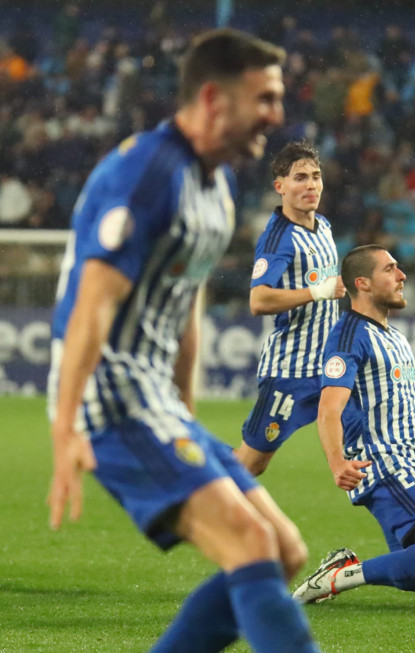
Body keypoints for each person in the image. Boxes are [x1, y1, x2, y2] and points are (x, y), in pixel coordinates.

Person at [46, 28, 320, 653]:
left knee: (283, 552)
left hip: (155, 401)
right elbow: (91, 304)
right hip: (109, 398)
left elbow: (183, 310)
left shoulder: (216, 188)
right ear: (214, 99)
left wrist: (186, 416)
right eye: (266, 98)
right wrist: (66, 430)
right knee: (249, 545)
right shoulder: (149, 174)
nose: (277, 115)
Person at [292, 245, 415, 603]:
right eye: (390, 269)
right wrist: (337, 462)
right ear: (363, 283)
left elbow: (403, 411)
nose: (402, 276)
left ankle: (348, 571)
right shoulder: (348, 336)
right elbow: (328, 410)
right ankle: (345, 576)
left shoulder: (394, 337)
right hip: (386, 467)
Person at [234, 140, 346, 477]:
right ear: (279, 187)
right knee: (251, 465)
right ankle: (196, 488)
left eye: (315, 176)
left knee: (380, 422)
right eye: (300, 177)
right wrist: (317, 291)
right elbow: (259, 300)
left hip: (330, 366)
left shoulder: (323, 227)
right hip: (290, 373)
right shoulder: (278, 239)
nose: (311, 185)